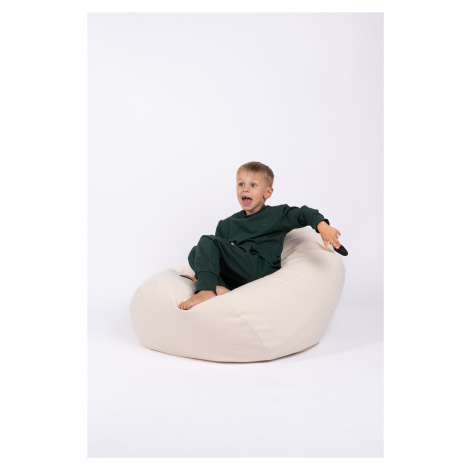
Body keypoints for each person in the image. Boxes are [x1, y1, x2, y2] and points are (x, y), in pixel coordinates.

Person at [178, 162, 344, 310]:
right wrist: (203, 273)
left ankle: (206, 289)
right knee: (196, 251)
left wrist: (322, 226)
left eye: (253, 185)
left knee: (207, 242)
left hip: (261, 267)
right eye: (241, 184)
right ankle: (219, 287)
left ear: (268, 192)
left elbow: (303, 213)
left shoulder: (277, 214)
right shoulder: (226, 224)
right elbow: (216, 256)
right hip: (240, 273)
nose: (245, 189)